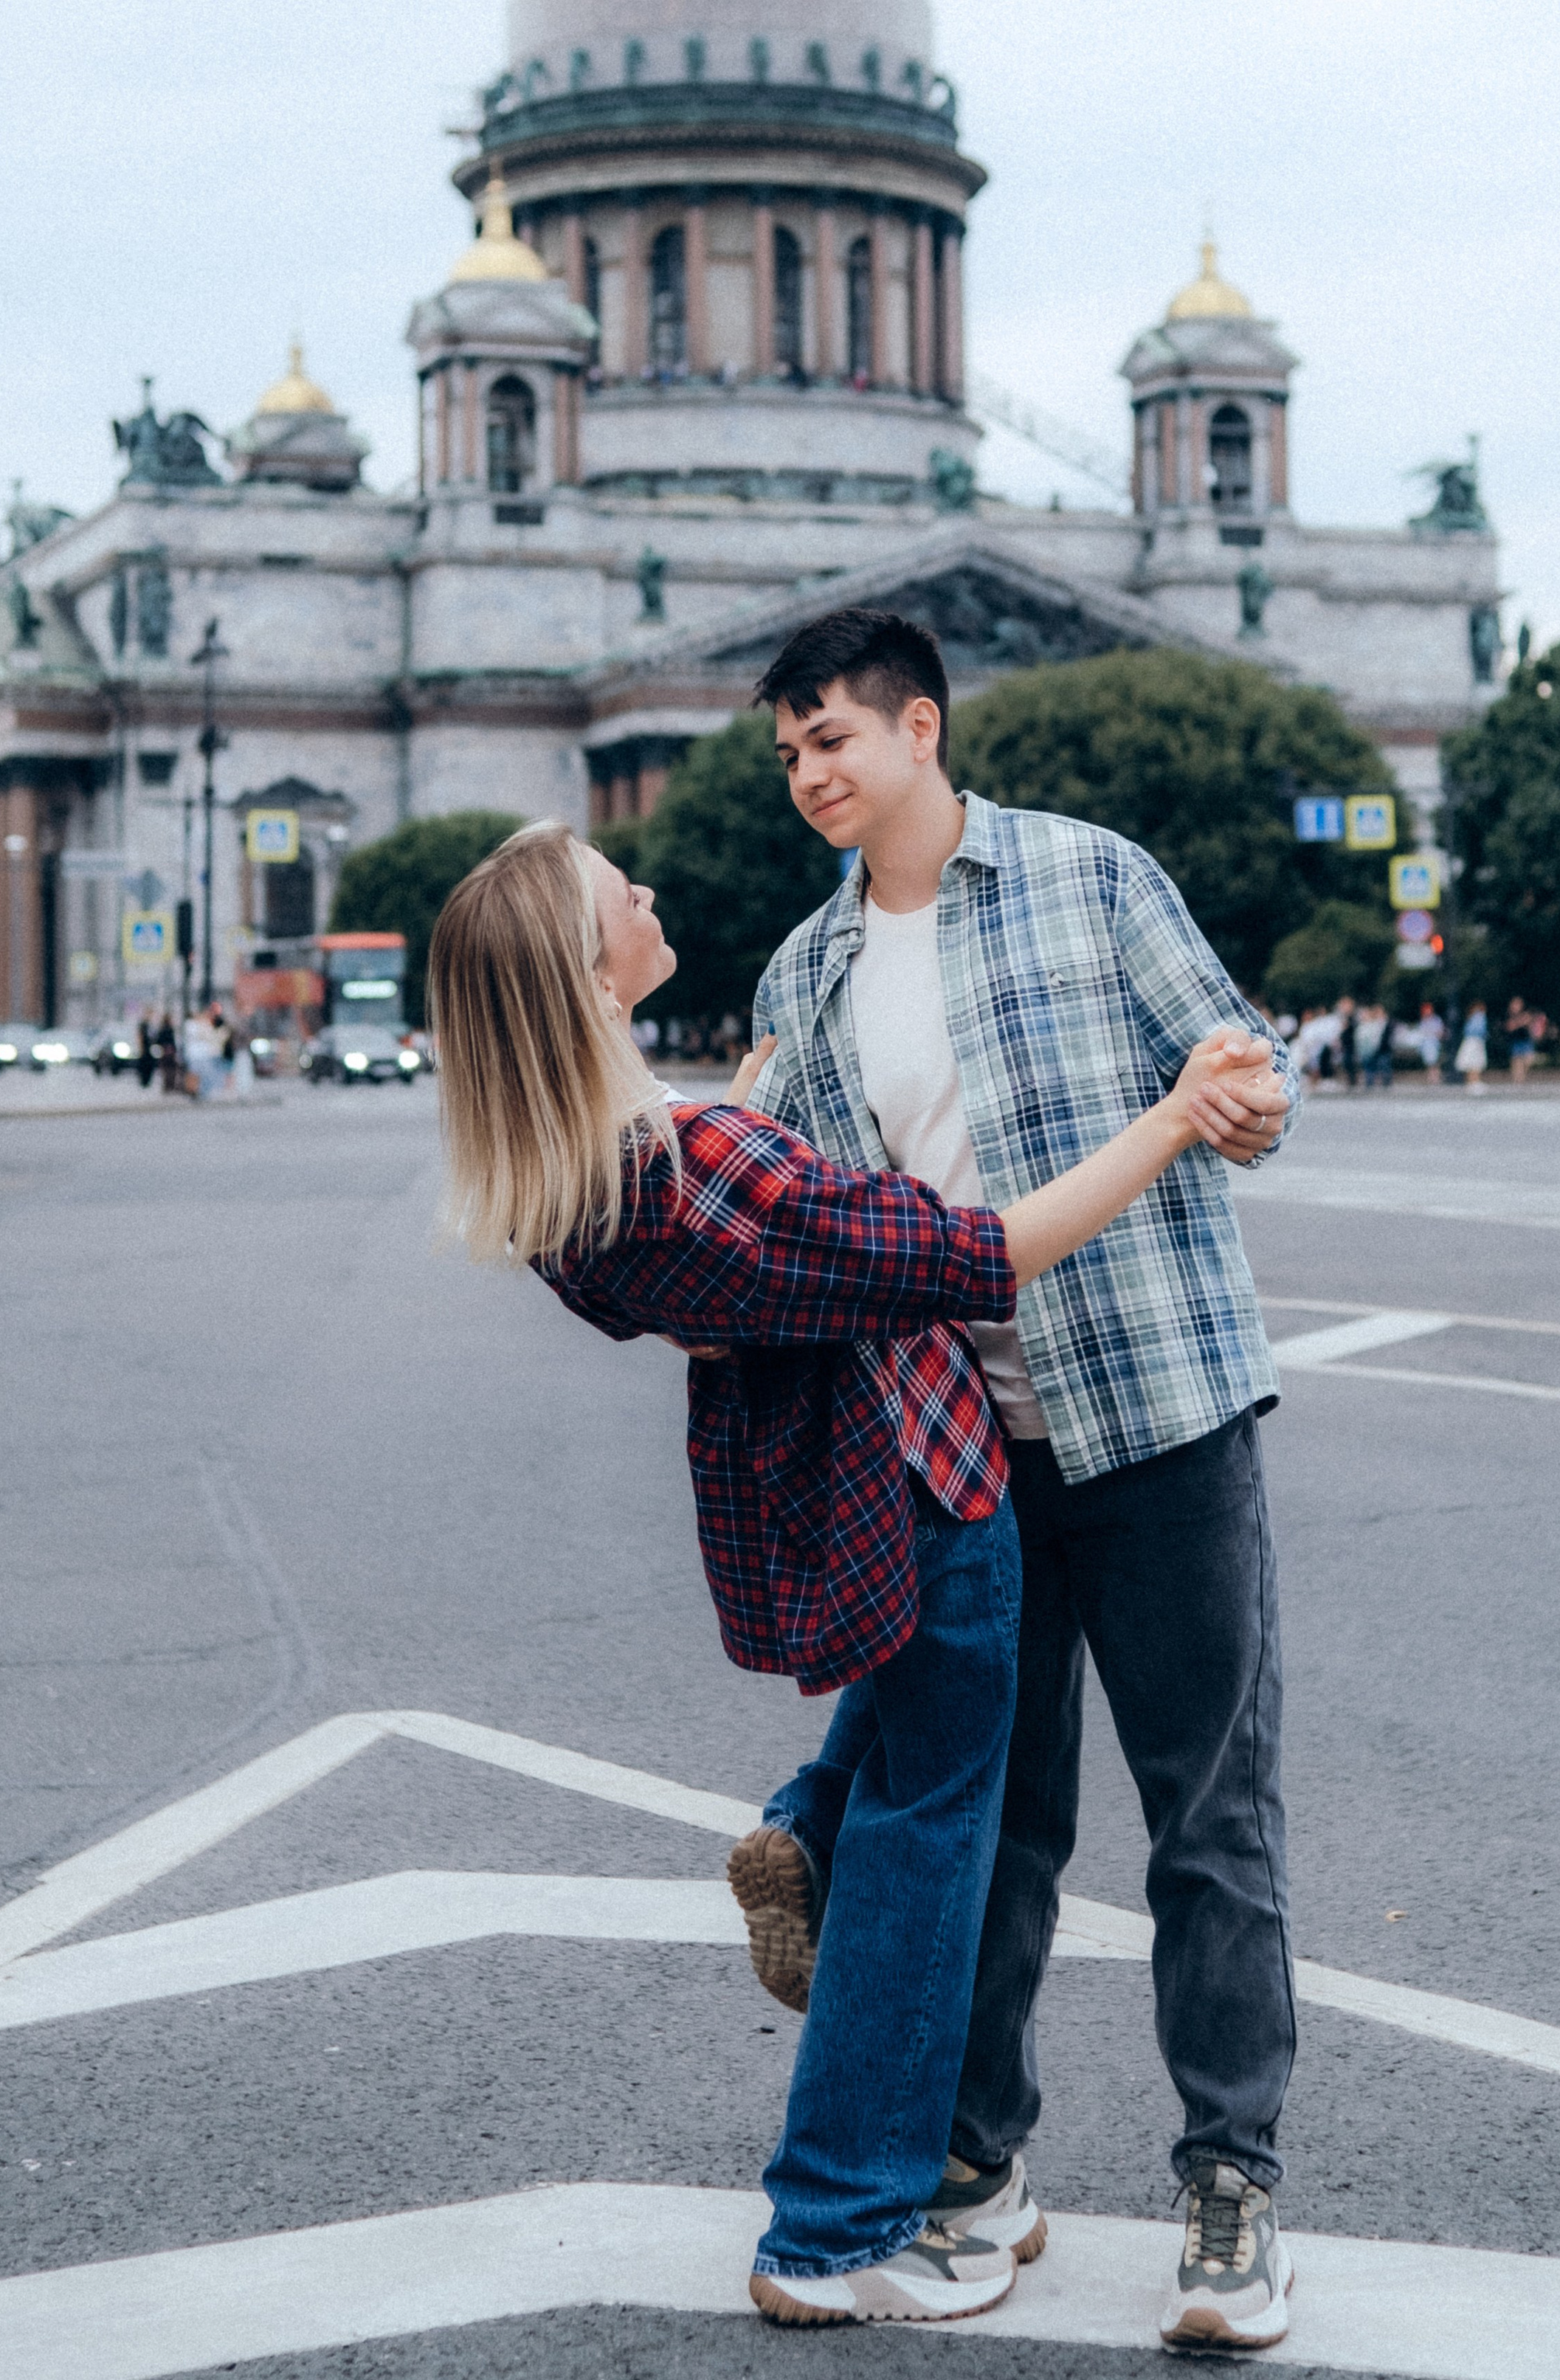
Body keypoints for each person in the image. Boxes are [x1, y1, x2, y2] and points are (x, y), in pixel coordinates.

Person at [428, 820, 1285, 2333]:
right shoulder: (710, 1168)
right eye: (616, 893)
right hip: (936, 1496)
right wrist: (1168, 1120)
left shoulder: (580, 1179)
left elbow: (726, 1233)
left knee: (923, 1799)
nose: (647, 888)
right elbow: (981, 1250)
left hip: (850, 1509)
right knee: (930, 1852)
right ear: (589, 974)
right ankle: (835, 2220)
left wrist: (742, 1107)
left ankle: (819, 1843)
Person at [743, 609, 1301, 2358]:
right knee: (998, 1824)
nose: (809, 772)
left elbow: (1235, 1058)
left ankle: (1228, 2184)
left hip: (1157, 1416)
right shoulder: (802, 971)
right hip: (962, 1454)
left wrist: (1247, 1100)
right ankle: (977, 2162)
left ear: (919, 726)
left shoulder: (1087, 876)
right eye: (787, 751)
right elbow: (822, 1223)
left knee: (1207, 1817)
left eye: (831, 736)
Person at [1454, 1001, 1489, 1089]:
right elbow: (1480, 1031)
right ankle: (1475, 1082)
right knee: (1476, 1063)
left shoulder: (1471, 1017)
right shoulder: (1480, 1017)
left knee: (1471, 1064)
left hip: (1469, 1042)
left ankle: (1471, 1083)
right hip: (1476, 1042)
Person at [1416, 999, 1443, 1083]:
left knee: (1435, 1061)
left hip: (1434, 1043)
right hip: (1426, 1044)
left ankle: (1436, 1077)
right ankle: (1430, 1077)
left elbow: (1440, 1032)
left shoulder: (1436, 1020)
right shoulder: (1423, 1021)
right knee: (1429, 1062)